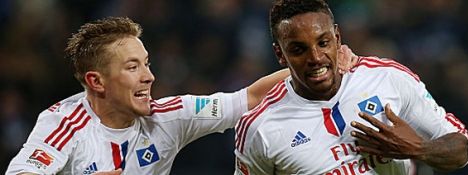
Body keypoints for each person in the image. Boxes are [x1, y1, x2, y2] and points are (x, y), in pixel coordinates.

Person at [6, 17, 357, 175]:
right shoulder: (65, 122)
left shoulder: (168, 116)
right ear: (97, 82)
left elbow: (248, 98)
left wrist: (321, 63)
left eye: (146, 63)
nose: (149, 76)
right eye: (133, 68)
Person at [234, 0, 468, 174]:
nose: (316, 57)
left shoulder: (387, 79)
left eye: (323, 42)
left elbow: (461, 149)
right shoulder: (260, 128)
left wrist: (418, 149)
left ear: (337, 38)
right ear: (280, 54)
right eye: (298, 49)